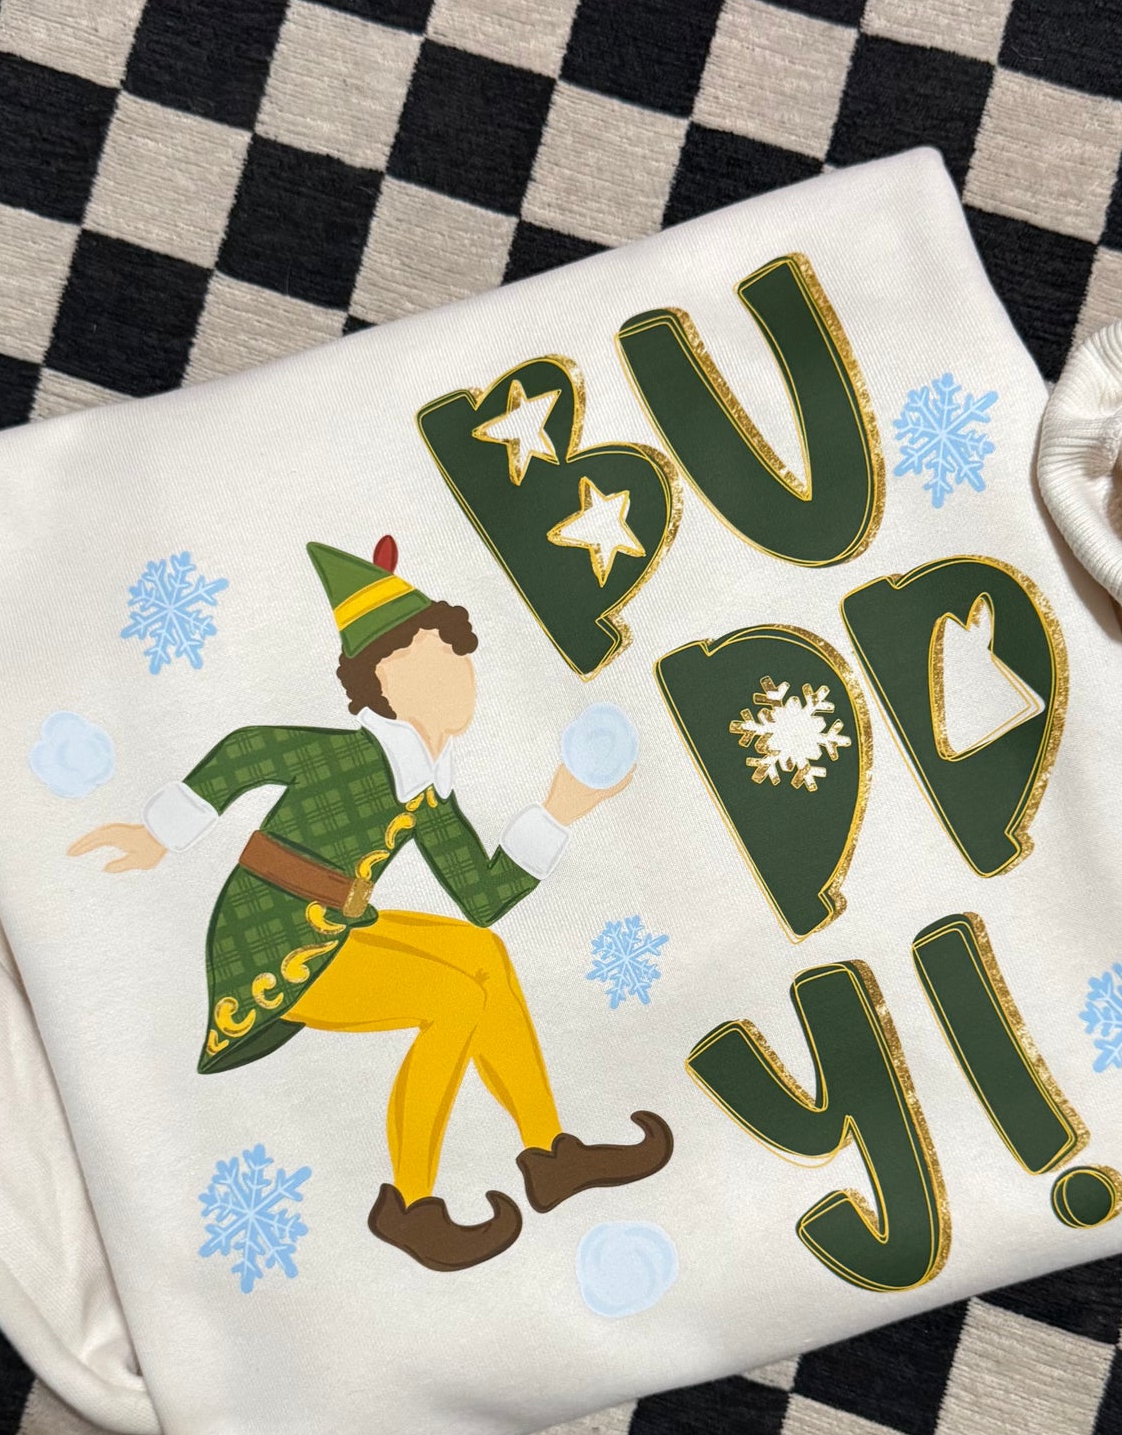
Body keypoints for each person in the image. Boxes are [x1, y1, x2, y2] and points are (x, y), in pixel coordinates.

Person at [72, 538, 673, 1272]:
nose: (463, 675)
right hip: (275, 941)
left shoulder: (424, 789)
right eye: (440, 660)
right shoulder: (345, 755)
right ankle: (411, 1207)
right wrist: (160, 833)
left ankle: (551, 1155)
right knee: (453, 998)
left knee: (482, 955)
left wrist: (558, 811)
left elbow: (482, 899)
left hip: (341, 928)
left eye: (461, 659)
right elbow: (247, 749)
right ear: (386, 676)